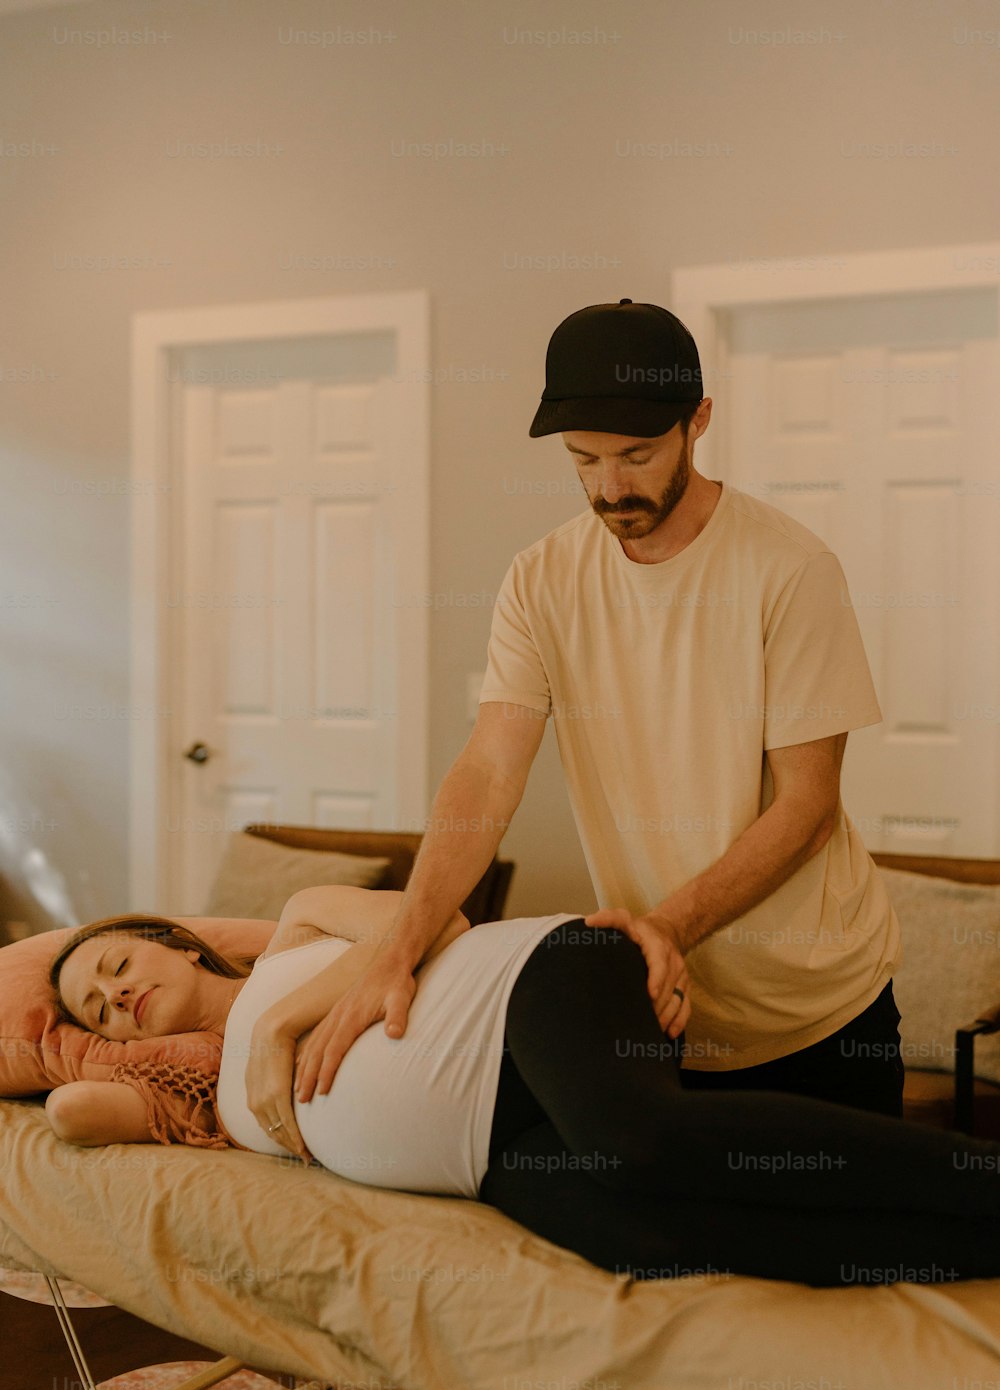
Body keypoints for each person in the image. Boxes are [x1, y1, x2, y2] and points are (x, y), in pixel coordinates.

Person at [286, 300, 905, 1122]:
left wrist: (663, 930)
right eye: (585, 460)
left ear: (699, 422)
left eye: (638, 455)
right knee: (690, 1247)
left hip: (816, 1008)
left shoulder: (789, 570)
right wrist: (396, 952)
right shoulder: (541, 580)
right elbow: (489, 769)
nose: (611, 488)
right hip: (664, 1004)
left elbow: (807, 806)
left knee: (855, 1247)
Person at [44, 888, 1000, 1289]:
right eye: (97, 1008)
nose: (116, 995)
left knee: (639, 1142)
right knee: (644, 1240)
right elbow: (73, 1114)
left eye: (117, 963)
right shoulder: (201, 1095)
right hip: (488, 1153)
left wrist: (285, 1022)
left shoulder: (297, 930)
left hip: (531, 988)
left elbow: (438, 917)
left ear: (170, 938)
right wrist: (75, 1057)